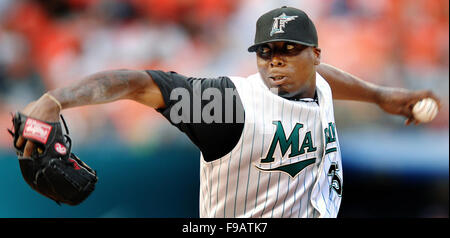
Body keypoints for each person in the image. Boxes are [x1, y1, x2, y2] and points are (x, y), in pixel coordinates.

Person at [14, 6, 440, 218]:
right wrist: (55, 101)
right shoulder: (227, 103)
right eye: (267, 52)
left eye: (288, 51)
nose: (276, 62)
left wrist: (380, 95)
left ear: (314, 55)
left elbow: (324, 78)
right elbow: (138, 83)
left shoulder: (318, 84)